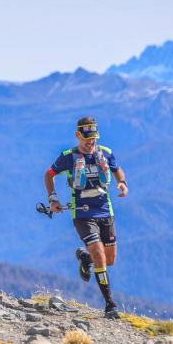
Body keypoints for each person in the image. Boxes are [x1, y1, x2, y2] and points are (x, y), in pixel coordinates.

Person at [43, 116, 129, 319]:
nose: (91, 143)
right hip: (82, 213)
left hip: (105, 211)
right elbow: (49, 174)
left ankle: (85, 258)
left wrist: (122, 183)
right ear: (78, 135)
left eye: (94, 139)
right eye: (87, 139)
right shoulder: (68, 157)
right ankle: (110, 304)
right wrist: (53, 198)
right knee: (99, 254)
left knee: (110, 259)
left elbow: (117, 169)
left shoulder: (105, 153)